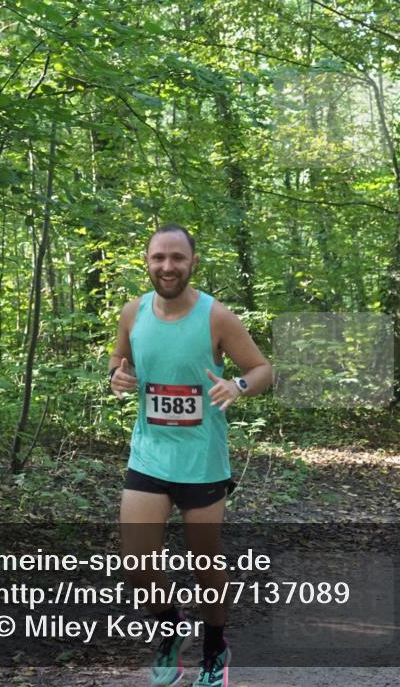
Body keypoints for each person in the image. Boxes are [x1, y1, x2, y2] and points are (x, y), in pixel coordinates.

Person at [108, 223, 273, 687]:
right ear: (146, 261)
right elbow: (120, 364)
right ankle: (169, 633)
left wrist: (237, 385)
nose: (167, 266)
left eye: (177, 258)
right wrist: (117, 379)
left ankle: (216, 645)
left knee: (205, 561)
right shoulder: (131, 312)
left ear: (193, 262)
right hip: (149, 455)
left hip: (201, 461)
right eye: (159, 257)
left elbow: (262, 369)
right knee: (137, 561)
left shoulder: (216, 316)